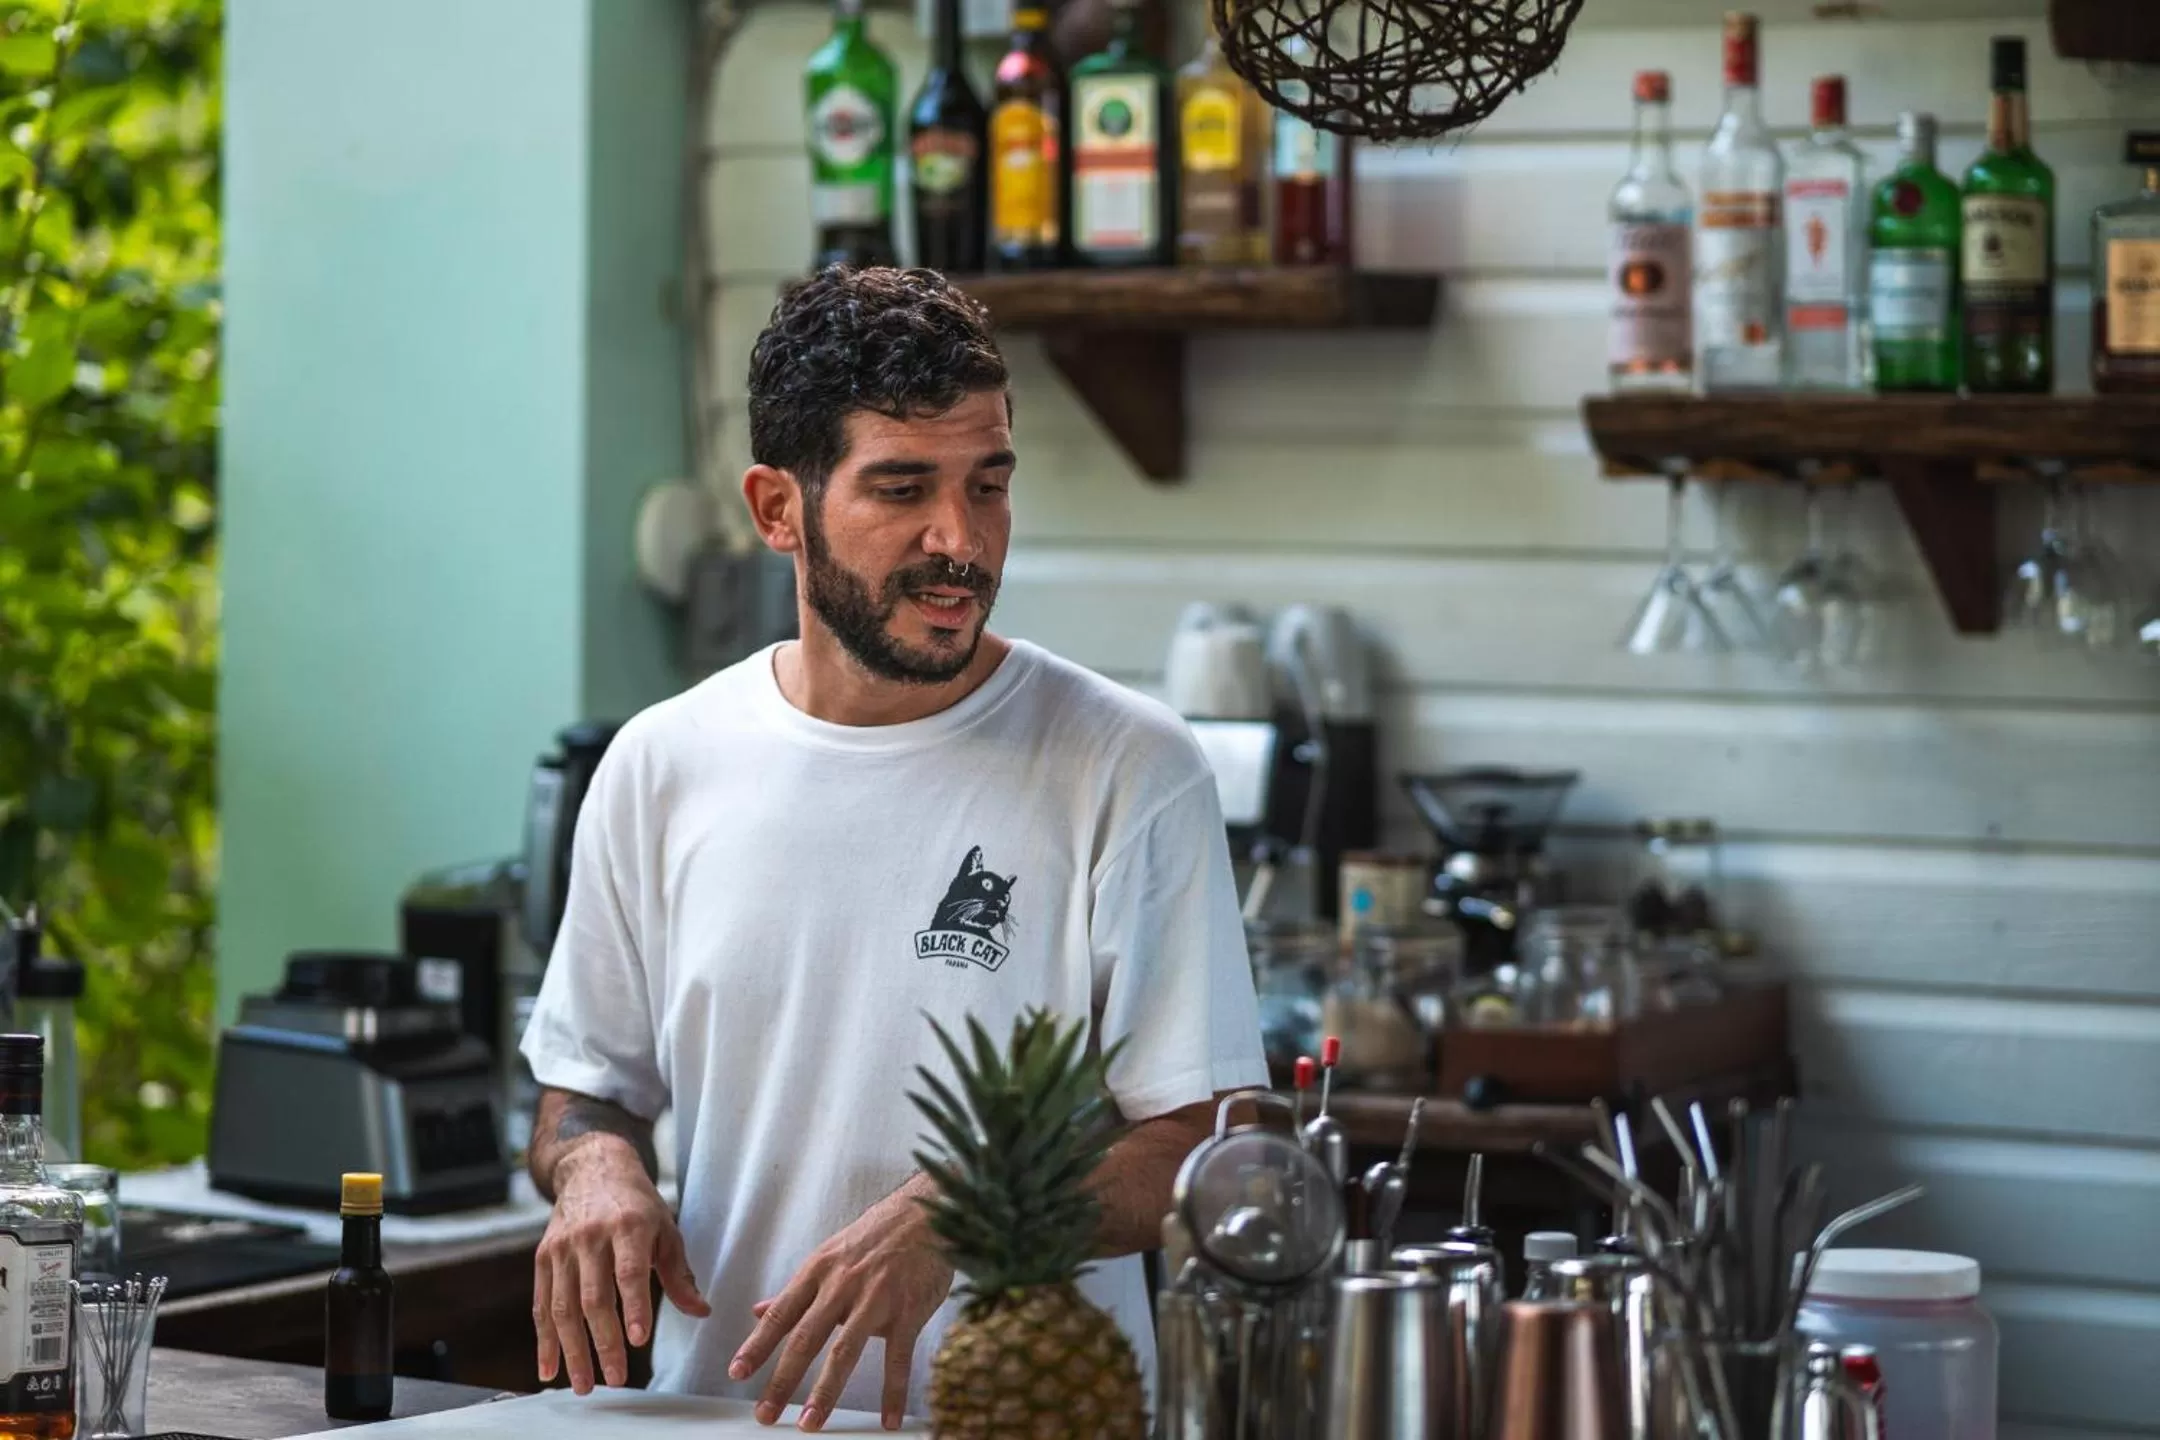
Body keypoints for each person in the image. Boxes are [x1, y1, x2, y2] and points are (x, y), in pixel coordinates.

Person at [518, 266, 1267, 1432]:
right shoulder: (661, 763)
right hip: (715, 1415)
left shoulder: (1127, 765)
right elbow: (586, 1097)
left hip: (1023, 1421)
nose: (958, 541)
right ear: (779, 510)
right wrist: (597, 1173)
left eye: (989, 484)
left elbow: (1205, 1145)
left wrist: (964, 1209)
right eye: (902, 487)